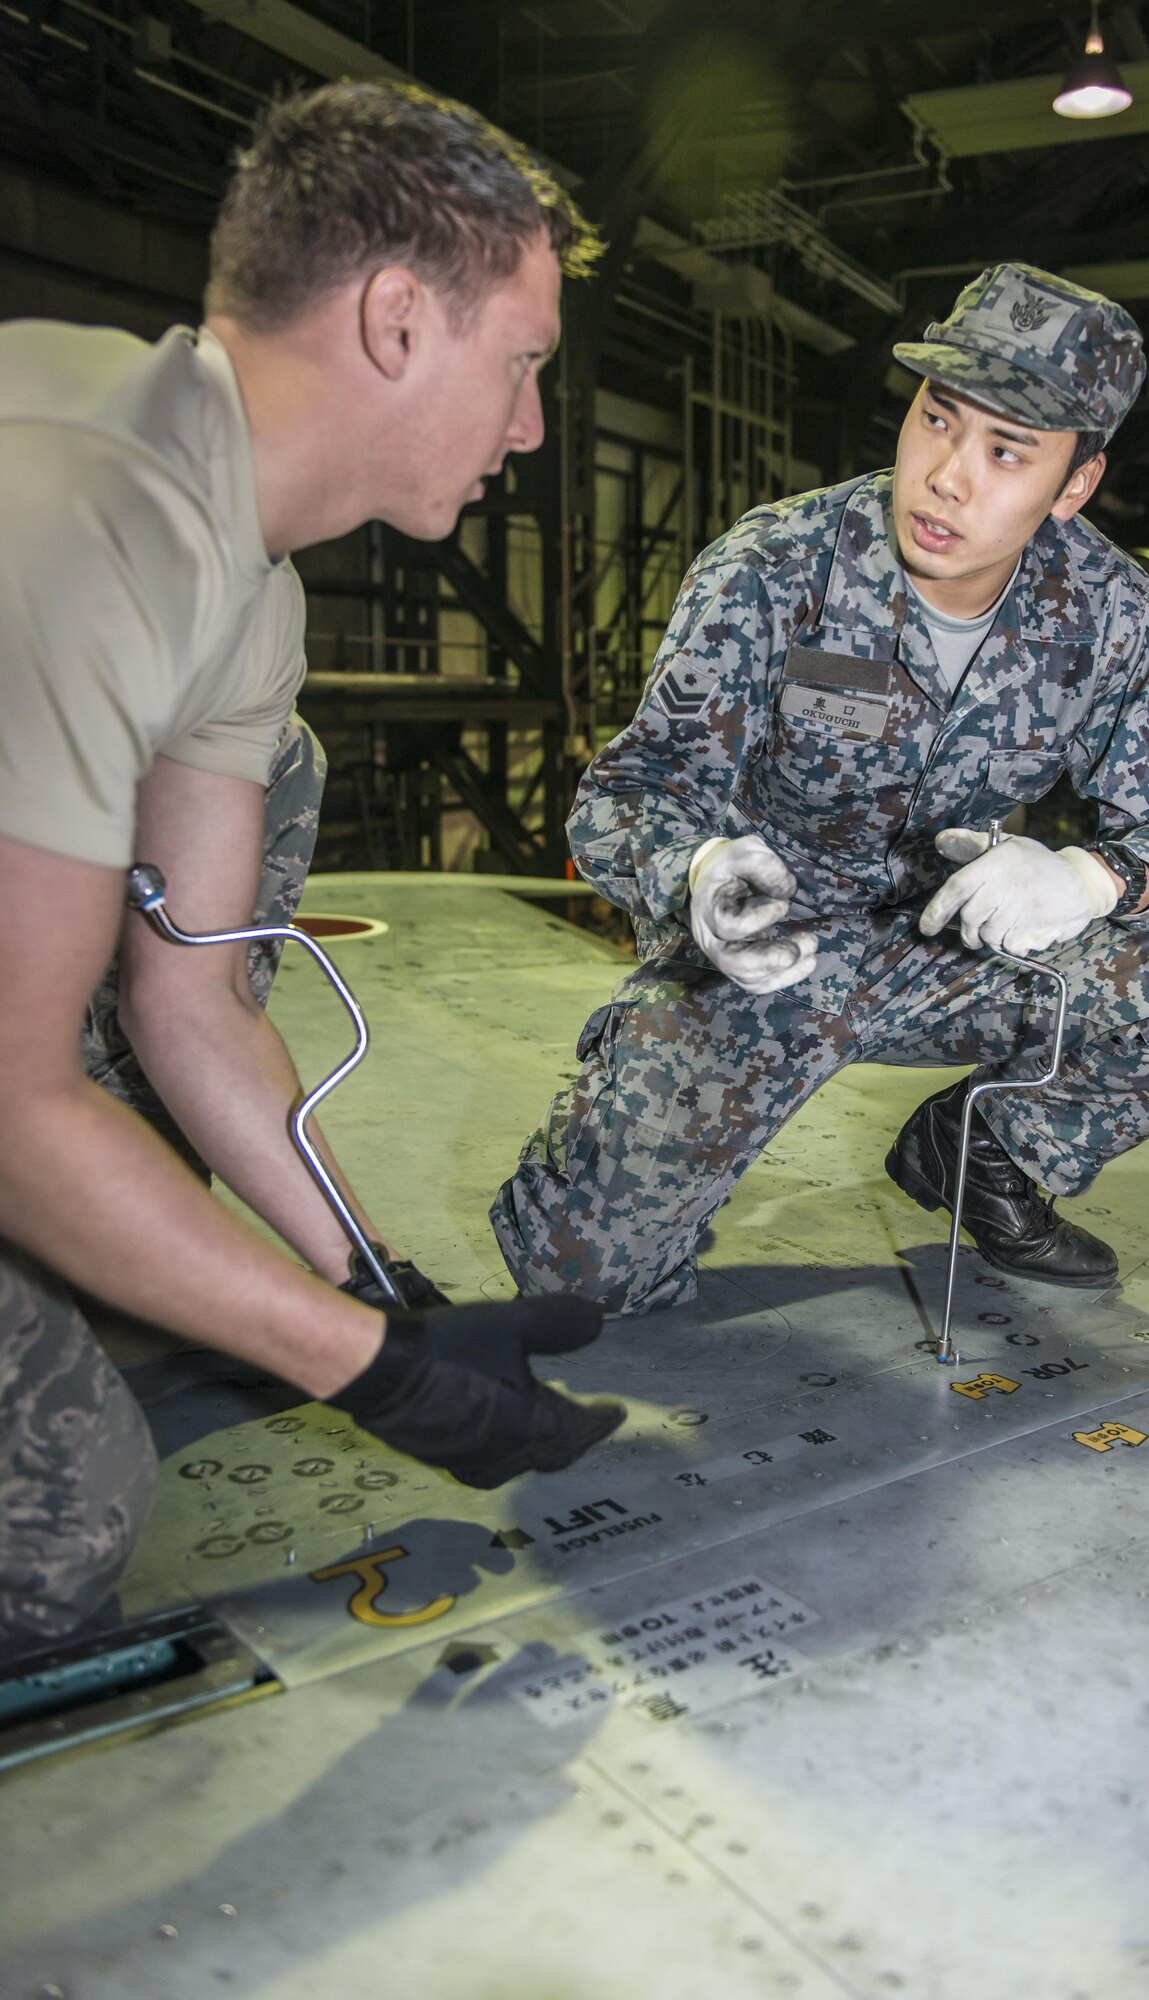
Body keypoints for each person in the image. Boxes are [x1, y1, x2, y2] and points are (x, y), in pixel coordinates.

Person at [0, 82, 624, 1655]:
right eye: (525, 366)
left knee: (278, 769)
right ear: (402, 321)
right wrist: (364, 1372)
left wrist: (381, 1287)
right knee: (57, 1518)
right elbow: (11, 1102)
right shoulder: (75, 515)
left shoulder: (240, 573)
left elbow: (194, 1001)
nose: (532, 427)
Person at [491, 262, 1149, 1316]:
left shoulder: (1110, 612)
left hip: (959, 945)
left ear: (1074, 485)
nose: (945, 476)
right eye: (936, 418)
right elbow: (631, 789)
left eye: (1006, 450)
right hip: (765, 959)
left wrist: (1087, 876)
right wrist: (694, 867)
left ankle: (984, 1151)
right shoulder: (773, 567)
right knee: (579, 1280)